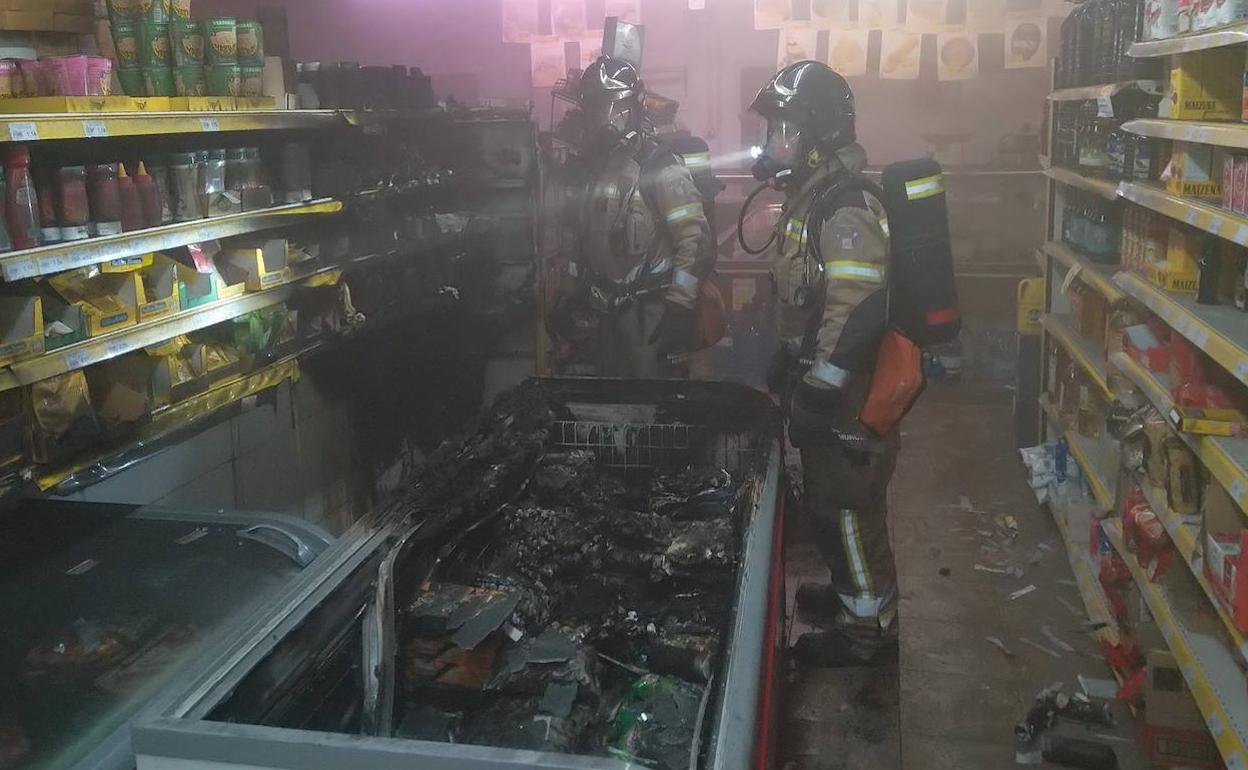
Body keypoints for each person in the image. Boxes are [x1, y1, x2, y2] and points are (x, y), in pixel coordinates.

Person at [750, 61, 899, 666]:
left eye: (783, 131)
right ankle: (846, 597)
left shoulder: (845, 205)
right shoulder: (811, 200)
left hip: (847, 393)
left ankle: (867, 631)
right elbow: (811, 303)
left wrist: (820, 388)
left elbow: (857, 307)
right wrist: (792, 361)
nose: (772, 144)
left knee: (847, 507)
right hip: (824, 379)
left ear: (818, 136)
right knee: (827, 502)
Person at [565, 55, 713, 377]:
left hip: (653, 313)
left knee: (653, 398)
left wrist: (680, 306)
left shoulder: (660, 165)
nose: (606, 120)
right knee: (613, 398)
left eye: (615, 108)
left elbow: (694, 239)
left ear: (636, 105)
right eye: (597, 109)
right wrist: (570, 293)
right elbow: (583, 236)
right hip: (606, 314)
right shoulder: (594, 169)